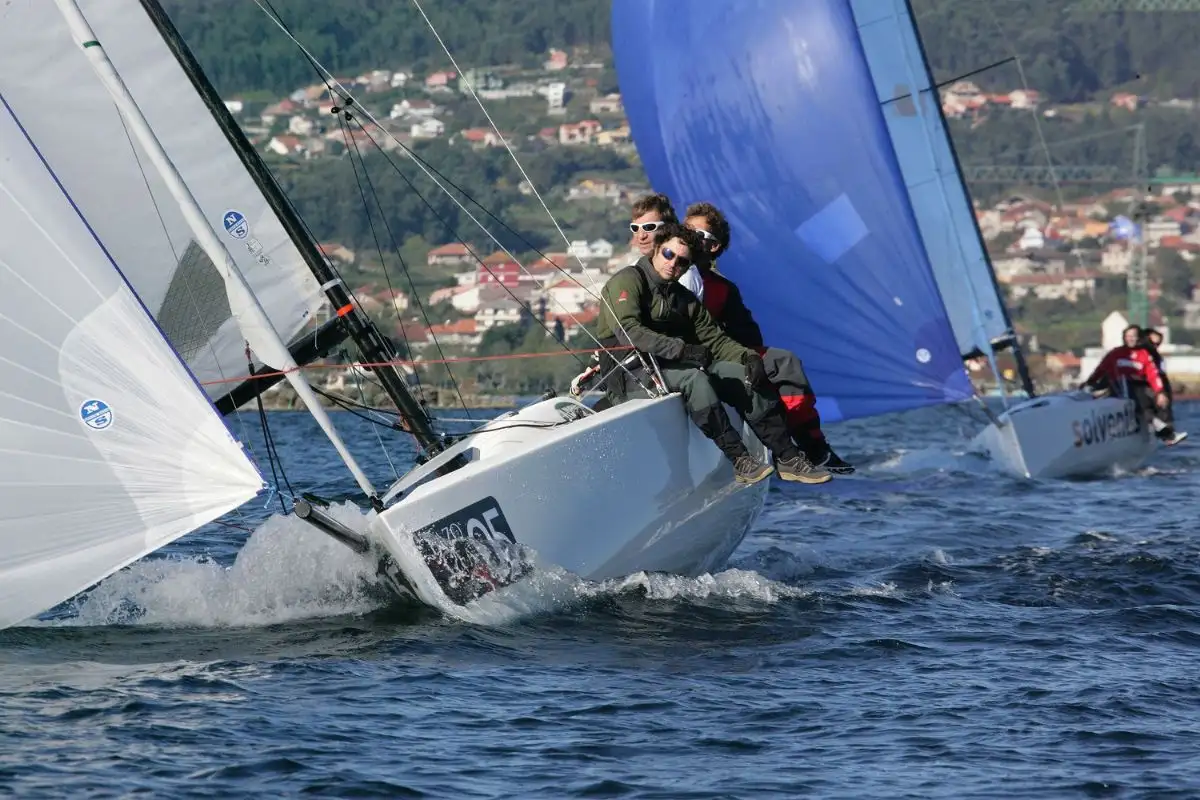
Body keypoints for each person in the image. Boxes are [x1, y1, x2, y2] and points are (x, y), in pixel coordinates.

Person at [595, 222, 832, 485]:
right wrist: (683, 350)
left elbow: (714, 339)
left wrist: (747, 357)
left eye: (683, 262)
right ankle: (741, 460)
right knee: (694, 379)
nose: (673, 264)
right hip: (629, 373)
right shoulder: (627, 281)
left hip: (668, 365)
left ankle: (788, 458)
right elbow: (630, 331)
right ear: (656, 250)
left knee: (742, 376)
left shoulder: (682, 298)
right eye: (668, 254)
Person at [679, 202, 855, 474]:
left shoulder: (723, 288)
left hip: (720, 353)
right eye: (686, 231)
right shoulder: (666, 271)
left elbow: (748, 334)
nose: (689, 238)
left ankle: (813, 447)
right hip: (683, 359)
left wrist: (747, 357)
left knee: (784, 363)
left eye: (698, 235)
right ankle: (788, 450)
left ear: (714, 246)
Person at [1083, 324, 1186, 445]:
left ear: (1138, 338)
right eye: (1128, 336)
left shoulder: (1145, 355)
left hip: (1137, 388)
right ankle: (1159, 427)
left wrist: (1160, 392)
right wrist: (1090, 383)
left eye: (1133, 336)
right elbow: (1100, 370)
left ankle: (1166, 433)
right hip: (1120, 387)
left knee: (1159, 398)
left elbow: (1153, 375)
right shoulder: (1115, 353)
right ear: (1124, 337)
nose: (1130, 339)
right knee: (1138, 397)